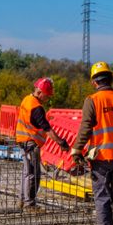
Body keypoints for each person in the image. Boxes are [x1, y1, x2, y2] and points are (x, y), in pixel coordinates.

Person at [70, 61, 113, 225]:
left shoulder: (93, 100)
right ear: (111, 79)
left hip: (102, 157)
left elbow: (86, 127)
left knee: (102, 195)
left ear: (94, 82)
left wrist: (76, 150)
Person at [15, 77, 69, 209]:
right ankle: (30, 205)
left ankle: (22, 201)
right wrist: (60, 142)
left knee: (27, 173)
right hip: (30, 143)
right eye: (47, 95)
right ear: (40, 92)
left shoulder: (27, 100)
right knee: (33, 174)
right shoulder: (37, 108)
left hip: (23, 141)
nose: (48, 99)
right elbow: (47, 128)